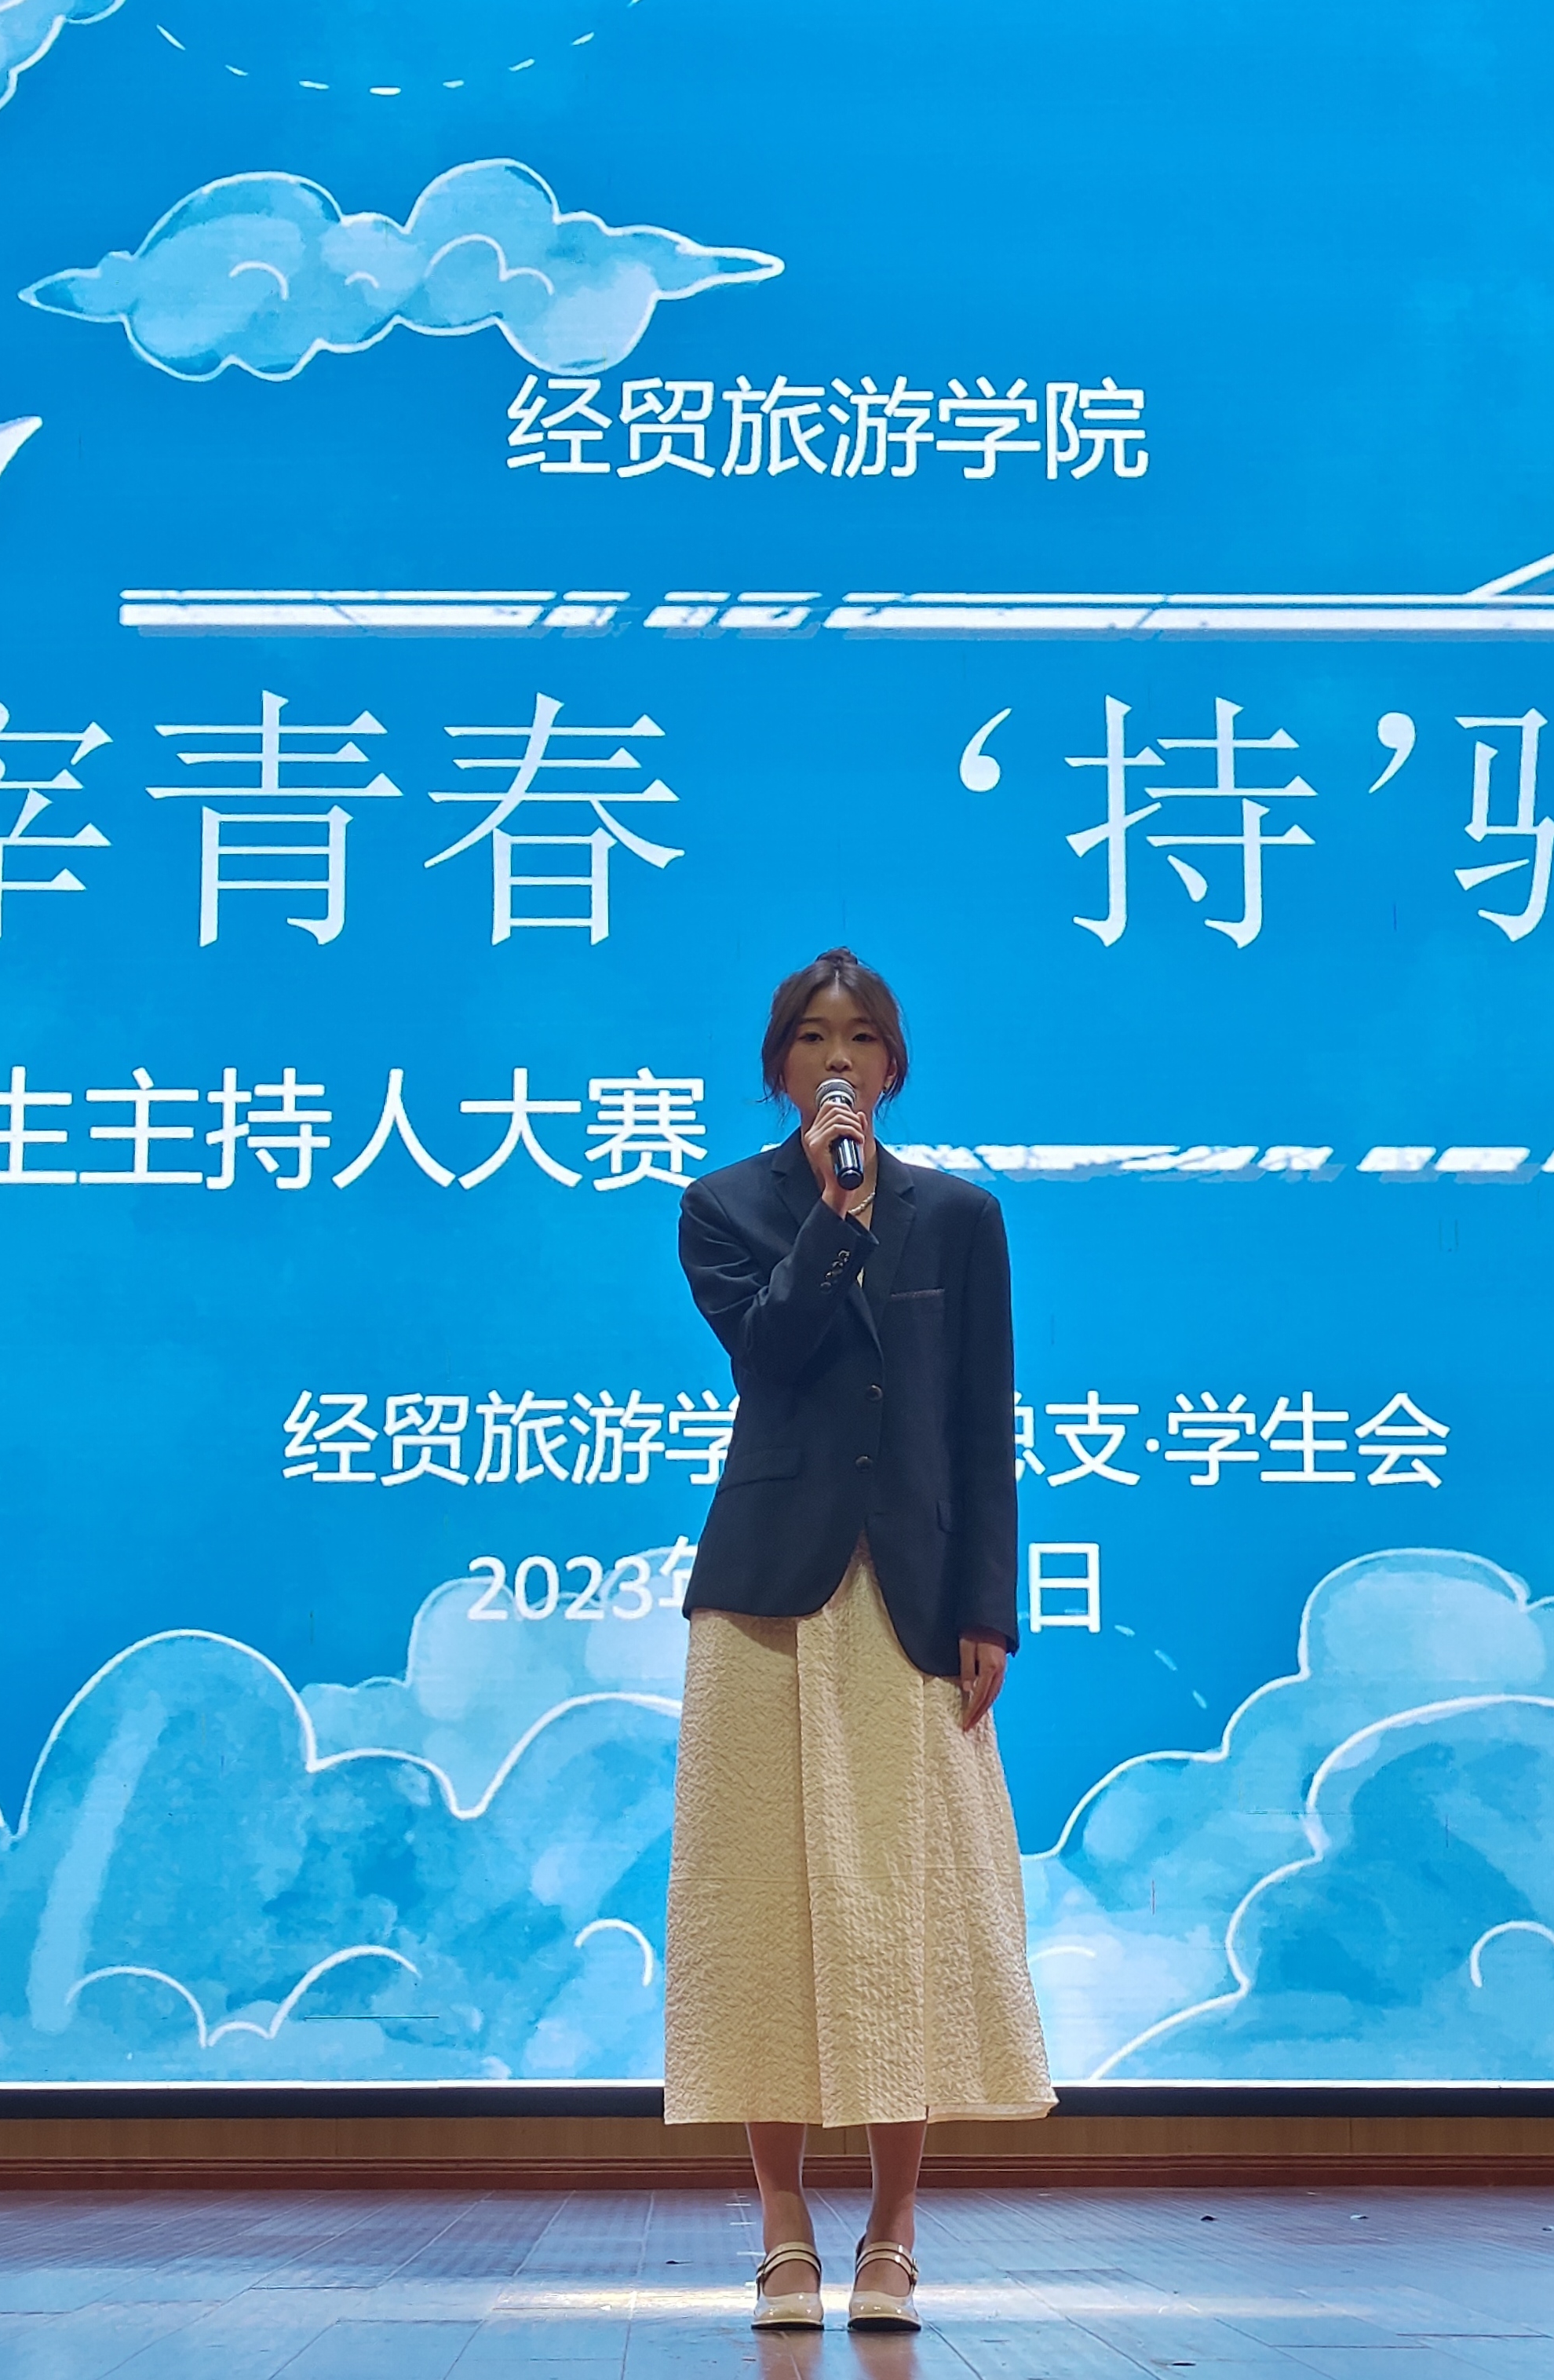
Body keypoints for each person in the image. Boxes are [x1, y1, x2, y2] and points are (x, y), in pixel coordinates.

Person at [662, 948, 1052, 2335]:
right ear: (780, 1068)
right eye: (814, 1038)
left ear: (895, 1065)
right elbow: (770, 1358)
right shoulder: (725, 1207)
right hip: (768, 1597)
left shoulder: (963, 1218)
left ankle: (894, 2231)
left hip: (915, 1599)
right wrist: (834, 1218)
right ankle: (782, 2227)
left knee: (905, 1909)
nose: (840, 1059)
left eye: (864, 1038)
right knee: (759, 1907)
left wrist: (989, 1606)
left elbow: (982, 1423)